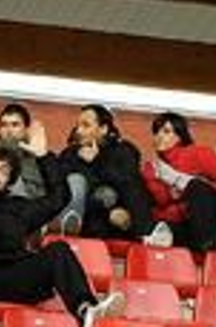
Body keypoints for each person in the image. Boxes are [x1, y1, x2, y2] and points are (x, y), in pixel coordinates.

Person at [0, 135, 125, 327]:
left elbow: (60, 197)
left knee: (58, 250)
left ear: (10, 182)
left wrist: (44, 157)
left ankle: (87, 312)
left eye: (3, 171)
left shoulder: (20, 207)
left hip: (13, 276)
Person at [140, 112, 216, 253]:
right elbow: (161, 201)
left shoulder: (197, 153)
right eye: (156, 131)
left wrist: (203, 191)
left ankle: (207, 240)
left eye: (166, 132)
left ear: (180, 136)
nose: (159, 136)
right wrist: (182, 200)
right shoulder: (151, 168)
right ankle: (205, 242)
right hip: (189, 223)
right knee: (164, 227)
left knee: (195, 186)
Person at [55, 103, 155, 243]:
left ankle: (147, 234)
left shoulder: (124, 151)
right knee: (82, 184)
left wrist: (96, 161)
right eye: (77, 126)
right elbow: (60, 186)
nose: (78, 131)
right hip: (84, 217)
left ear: (103, 129)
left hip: (118, 219)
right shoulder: (70, 154)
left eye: (85, 125)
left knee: (114, 192)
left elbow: (130, 185)